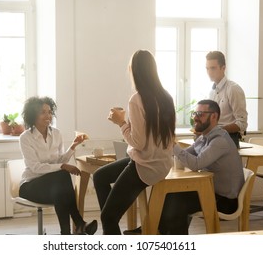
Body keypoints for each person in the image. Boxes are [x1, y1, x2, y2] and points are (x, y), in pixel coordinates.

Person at [93, 50, 176, 235]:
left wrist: (121, 122)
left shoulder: (137, 99)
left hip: (144, 166)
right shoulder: (166, 97)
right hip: (162, 164)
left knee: (107, 217)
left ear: (134, 71)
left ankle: (111, 219)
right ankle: (112, 214)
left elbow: (138, 143)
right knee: (100, 176)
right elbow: (159, 136)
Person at [158, 99, 245, 234]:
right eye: (195, 113)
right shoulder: (203, 138)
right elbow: (185, 157)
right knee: (170, 195)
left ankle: (166, 237)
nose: (195, 118)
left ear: (214, 116)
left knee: (175, 202)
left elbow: (196, 163)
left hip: (225, 201)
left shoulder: (219, 140)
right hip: (209, 191)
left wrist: (173, 145)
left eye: (200, 114)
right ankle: (162, 234)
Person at [18, 96, 98, 235]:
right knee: (62, 177)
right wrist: (62, 167)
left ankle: (67, 233)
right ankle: (78, 224)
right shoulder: (25, 138)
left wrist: (73, 145)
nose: (48, 115)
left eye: (49, 112)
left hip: (53, 187)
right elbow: (35, 167)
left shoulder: (56, 133)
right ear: (33, 115)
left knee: (60, 190)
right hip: (30, 186)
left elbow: (60, 160)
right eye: (43, 112)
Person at [205, 51, 248, 147]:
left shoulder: (233, 89)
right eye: (207, 68)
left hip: (229, 140)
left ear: (223, 68)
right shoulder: (212, 92)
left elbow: (242, 123)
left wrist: (218, 130)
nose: (209, 72)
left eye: (213, 68)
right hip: (214, 139)